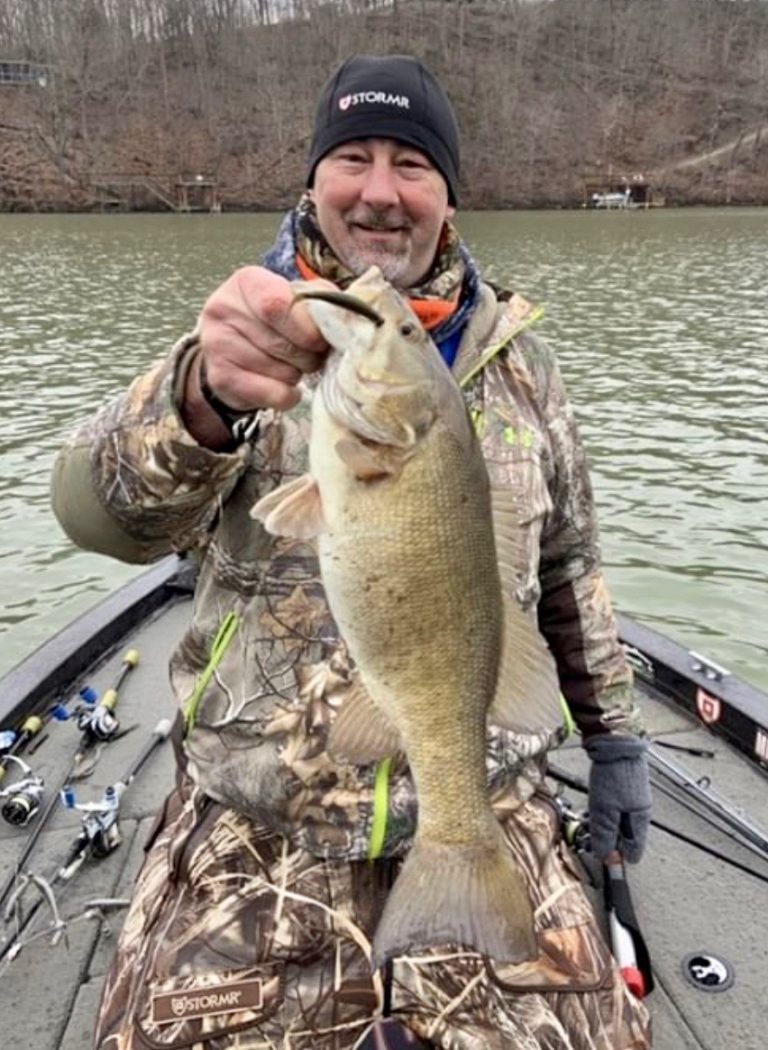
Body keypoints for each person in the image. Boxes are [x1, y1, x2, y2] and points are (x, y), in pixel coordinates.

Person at [52, 54, 652, 1050]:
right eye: (353, 158)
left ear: (448, 196)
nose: (381, 191)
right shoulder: (243, 334)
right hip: (258, 822)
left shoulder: (526, 365)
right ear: (313, 181)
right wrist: (202, 398)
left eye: (412, 164)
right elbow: (97, 518)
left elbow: (569, 565)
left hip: (489, 799)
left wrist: (616, 743)